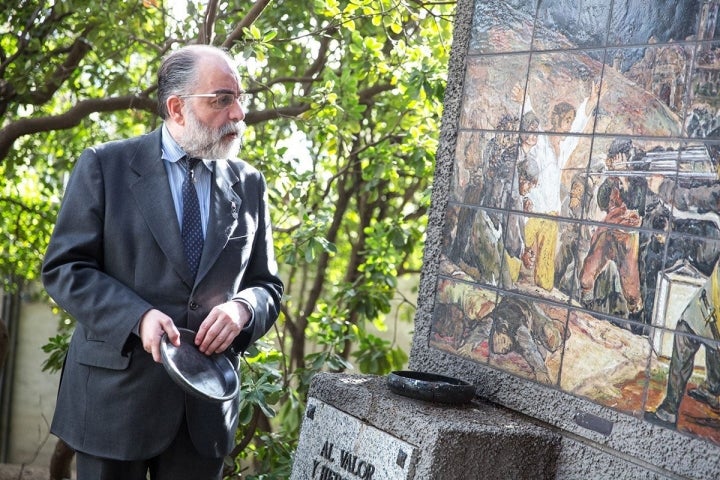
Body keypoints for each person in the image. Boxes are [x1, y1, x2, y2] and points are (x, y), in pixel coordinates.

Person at [41, 45, 284, 480]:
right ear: (176, 107)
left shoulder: (249, 183)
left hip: (204, 412)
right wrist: (138, 318)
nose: (239, 113)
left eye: (240, 97)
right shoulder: (105, 166)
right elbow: (65, 270)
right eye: (222, 99)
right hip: (114, 405)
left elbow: (267, 285)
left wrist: (243, 309)